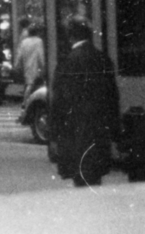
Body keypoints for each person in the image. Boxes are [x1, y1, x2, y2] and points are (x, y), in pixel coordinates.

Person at [49, 17, 121, 187]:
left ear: (70, 36)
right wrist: (115, 132)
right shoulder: (102, 58)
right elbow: (112, 98)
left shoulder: (67, 62)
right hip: (99, 130)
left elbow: (59, 102)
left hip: (75, 132)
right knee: (95, 178)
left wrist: (54, 135)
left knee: (81, 179)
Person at [15, 18, 46, 96]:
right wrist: (43, 65)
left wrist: (17, 64)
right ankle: (26, 101)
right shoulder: (39, 41)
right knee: (32, 83)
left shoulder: (24, 41)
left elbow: (20, 53)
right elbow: (40, 54)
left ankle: (26, 99)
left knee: (29, 82)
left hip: (27, 62)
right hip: (35, 63)